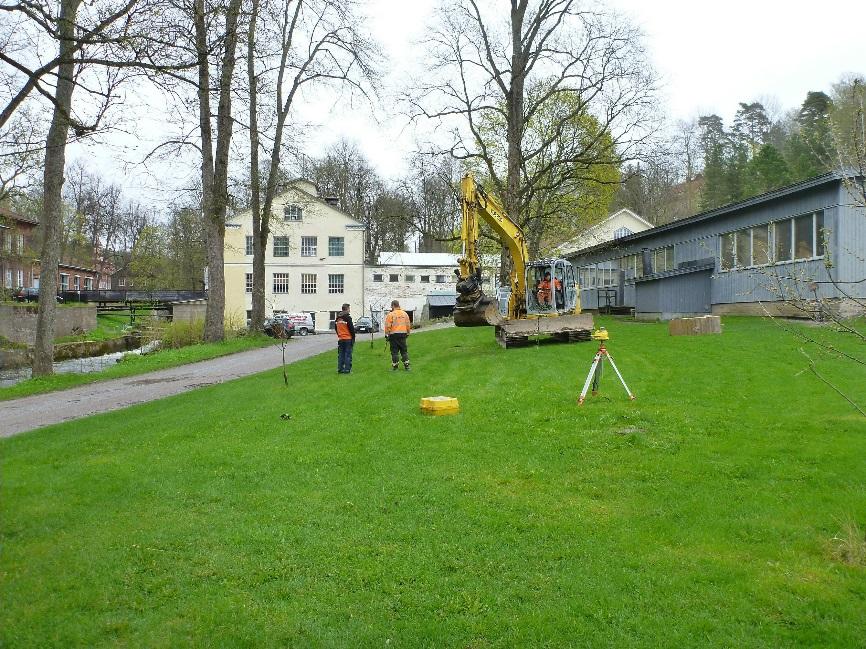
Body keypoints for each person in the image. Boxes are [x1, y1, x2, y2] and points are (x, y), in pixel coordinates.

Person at [384, 299, 411, 371]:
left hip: (393, 335)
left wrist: (386, 334)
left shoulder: (391, 314)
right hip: (403, 335)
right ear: (398, 305)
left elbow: (387, 326)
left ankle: (395, 367)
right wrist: (408, 333)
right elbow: (408, 324)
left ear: (393, 306)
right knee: (404, 351)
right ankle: (407, 366)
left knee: (394, 352)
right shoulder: (405, 314)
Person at [334, 303, 355, 374]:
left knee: (341, 354)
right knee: (348, 354)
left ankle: (340, 369)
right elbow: (351, 329)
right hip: (348, 338)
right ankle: (347, 369)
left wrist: (339, 335)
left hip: (341, 339)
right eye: (349, 308)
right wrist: (353, 338)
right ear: (347, 309)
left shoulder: (337, 318)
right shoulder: (347, 318)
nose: (350, 310)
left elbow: (336, 328)